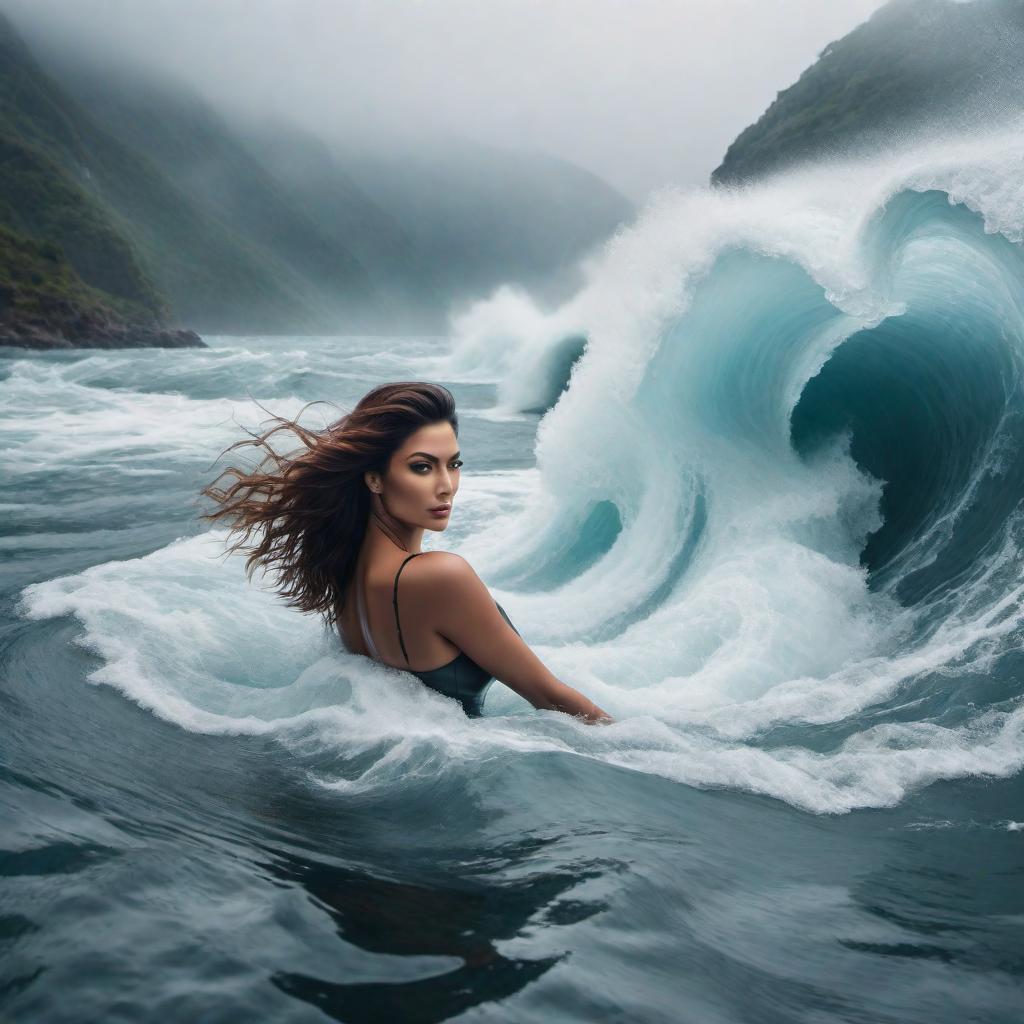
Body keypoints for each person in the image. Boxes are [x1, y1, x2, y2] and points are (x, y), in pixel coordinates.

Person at [202, 381, 612, 724]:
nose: (446, 484)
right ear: (375, 479)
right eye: (422, 467)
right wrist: (642, 755)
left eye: (454, 464)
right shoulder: (438, 577)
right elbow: (548, 695)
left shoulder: (346, 574)